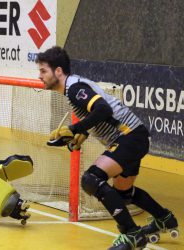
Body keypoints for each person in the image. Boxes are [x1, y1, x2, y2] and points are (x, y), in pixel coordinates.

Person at [37, 46, 178, 250]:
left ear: (58, 71)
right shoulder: (74, 87)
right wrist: (78, 136)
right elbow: (97, 116)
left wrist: (74, 127)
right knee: (124, 194)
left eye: (43, 71)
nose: (40, 76)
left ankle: (131, 234)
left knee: (91, 179)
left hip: (129, 136)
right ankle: (164, 218)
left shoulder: (75, 89)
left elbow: (104, 109)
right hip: (135, 137)